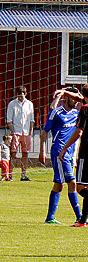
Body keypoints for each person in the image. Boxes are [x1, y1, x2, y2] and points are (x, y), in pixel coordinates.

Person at [38, 86, 82, 224]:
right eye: (72, 98)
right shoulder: (56, 113)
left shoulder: (77, 113)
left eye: (76, 98)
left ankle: (50, 217)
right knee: (72, 183)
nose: (75, 101)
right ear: (66, 98)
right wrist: (42, 150)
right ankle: (80, 217)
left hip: (69, 153)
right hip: (59, 152)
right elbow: (45, 132)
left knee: (59, 184)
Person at [59, 84, 88, 227]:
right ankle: (82, 221)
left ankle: (82, 221)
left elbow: (79, 132)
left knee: (81, 188)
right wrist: (65, 92)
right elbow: (79, 97)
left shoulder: (84, 109)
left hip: (86, 152)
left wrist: (65, 148)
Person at [6, 85, 34, 181]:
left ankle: (23, 175)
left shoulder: (30, 104)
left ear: (25, 94)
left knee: (25, 154)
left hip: (26, 133)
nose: (20, 97)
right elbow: (9, 120)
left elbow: (31, 120)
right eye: (19, 95)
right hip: (16, 132)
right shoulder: (12, 104)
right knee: (13, 154)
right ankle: (10, 175)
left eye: (22, 95)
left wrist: (30, 132)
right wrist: (13, 132)